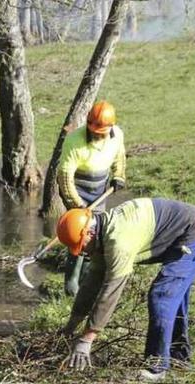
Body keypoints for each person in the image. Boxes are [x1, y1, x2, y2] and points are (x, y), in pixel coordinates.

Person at [55, 198, 195, 381]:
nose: (83, 252)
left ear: (90, 234)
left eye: (81, 247)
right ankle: (179, 356)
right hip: (184, 231)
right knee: (174, 295)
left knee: (162, 296)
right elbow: (91, 285)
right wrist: (71, 326)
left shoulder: (119, 243)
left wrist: (87, 339)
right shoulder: (102, 235)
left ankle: (157, 367)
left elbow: (110, 293)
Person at [56, 100, 127, 296]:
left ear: (110, 128)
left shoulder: (117, 136)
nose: (96, 134)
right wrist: (77, 205)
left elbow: (119, 156)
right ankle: (71, 282)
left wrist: (119, 175)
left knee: (94, 234)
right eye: (93, 130)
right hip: (76, 190)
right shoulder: (74, 140)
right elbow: (64, 176)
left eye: (100, 132)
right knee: (76, 234)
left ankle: (86, 279)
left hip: (100, 191)